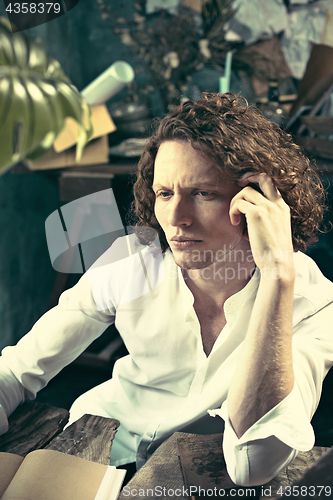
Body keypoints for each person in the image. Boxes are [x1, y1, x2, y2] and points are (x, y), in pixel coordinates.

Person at [0, 92, 332, 487]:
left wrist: (277, 275)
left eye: (202, 193)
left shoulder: (312, 302)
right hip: (95, 445)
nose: (176, 219)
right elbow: (18, 370)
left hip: (198, 479)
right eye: (165, 194)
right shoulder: (132, 262)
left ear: (256, 201)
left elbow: (253, 464)